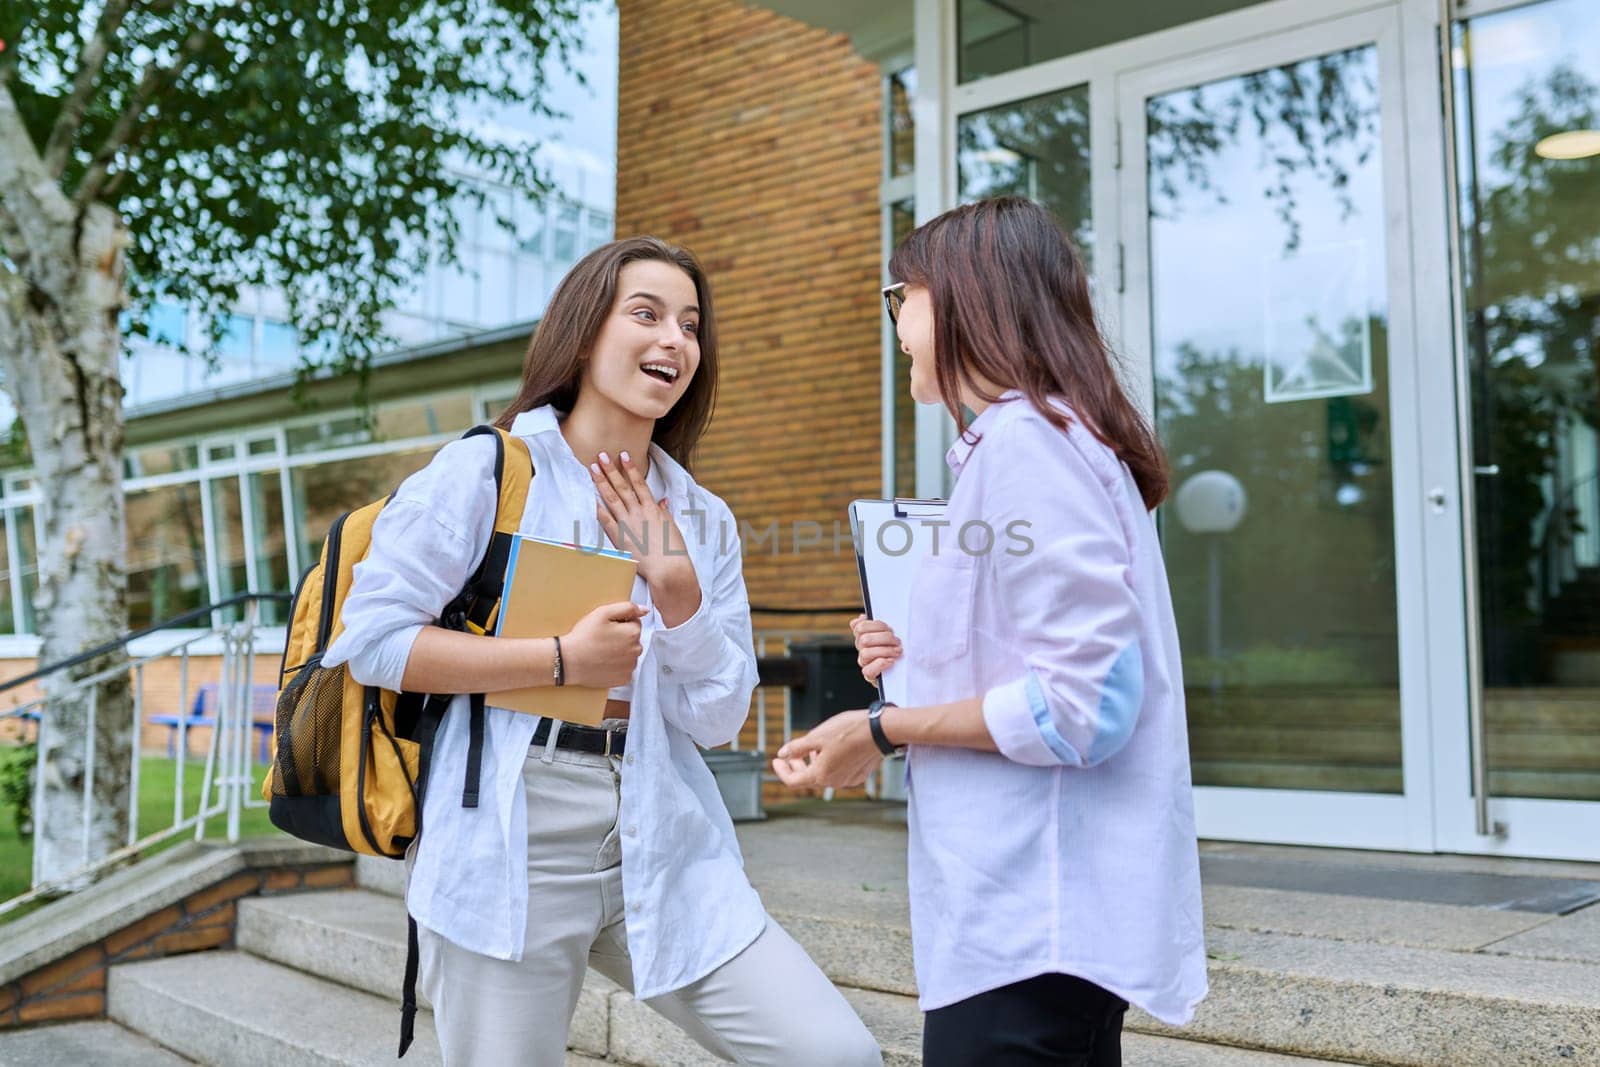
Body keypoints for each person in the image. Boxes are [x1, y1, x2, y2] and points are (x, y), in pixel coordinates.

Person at [323, 236, 881, 1066]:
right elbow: (370, 639)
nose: (675, 341)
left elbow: (722, 717)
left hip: (658, 823)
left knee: (833, 1053)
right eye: (647, 314)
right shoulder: (487, 470)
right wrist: (558, 660)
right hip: (511, 833)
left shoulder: (703, 515)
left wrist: (681, 591)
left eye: (691, 326)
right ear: (584, 333)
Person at [772, 197, 1208, 1066]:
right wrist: (917, 662)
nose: (896, 321)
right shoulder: (1038, 443)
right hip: (1025, 924)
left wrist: (881, 727)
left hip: (1033, 926)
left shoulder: (1028, 445)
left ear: (968, 299)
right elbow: (1043, 660)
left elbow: (1082, 708)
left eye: (902, 296)